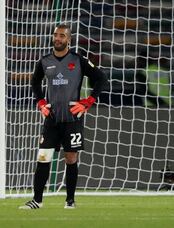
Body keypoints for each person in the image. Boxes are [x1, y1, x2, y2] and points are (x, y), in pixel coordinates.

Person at [19, 24, 107, 209]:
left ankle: (70, 201)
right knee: (43, 157)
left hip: (72, 119)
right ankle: (37, 201)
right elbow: (35, 81)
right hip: (51, 119)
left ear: (69, 39)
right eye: (56, 35)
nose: (58, 38)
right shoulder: (44, 61)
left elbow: (101, 78)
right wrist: (41, 102)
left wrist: (89, 101)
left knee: (71, 158)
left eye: (62, 36)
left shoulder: (78, 60)